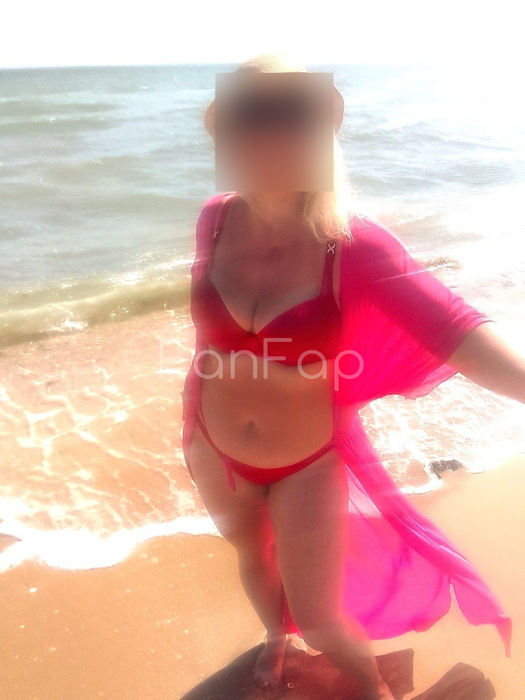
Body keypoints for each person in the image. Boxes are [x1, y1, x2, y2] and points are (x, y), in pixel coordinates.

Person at [181, 52, 520, 699]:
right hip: (214, 446)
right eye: (247, 123)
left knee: (321, 618)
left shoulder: (352, 246)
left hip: (305, 460)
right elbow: (208, 339)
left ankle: (370, 687)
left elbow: (458, 333)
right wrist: (193, 422)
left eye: (283, 123)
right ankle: (275, 640)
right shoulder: (215, 219)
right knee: (254, 561)